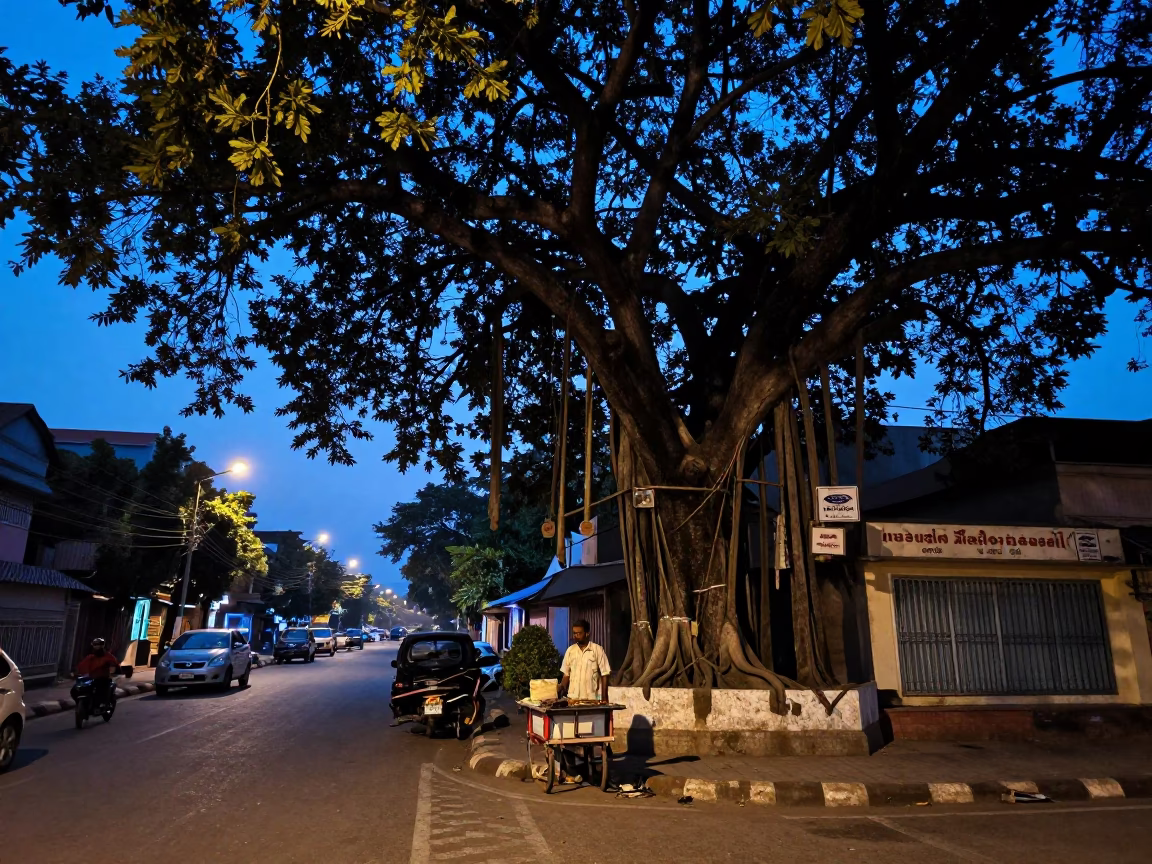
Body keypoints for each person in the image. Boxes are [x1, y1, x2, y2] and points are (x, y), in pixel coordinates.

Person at [559, 620, 611, 702]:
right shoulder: (570, 650)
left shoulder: (597, 650)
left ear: (587, 633)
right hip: (573, 700)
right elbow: (566, 674)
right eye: (574, 633)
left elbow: (605, 674)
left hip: (592, 700)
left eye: (579, 633)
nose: (576, 636)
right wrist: (561, 689)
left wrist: (604, 698)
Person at [76, 638, 120, 708]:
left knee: (101, 689)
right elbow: (82, 665)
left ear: (102, 646)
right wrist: (77, 672)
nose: (97, 646)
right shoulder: (90, 656)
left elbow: (113, 665)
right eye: (95, 645)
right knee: (76, 689)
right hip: (89, 677)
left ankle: (103, 704)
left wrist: (111, 671)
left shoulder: (108, 656)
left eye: (99, 645)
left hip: (102, 678)